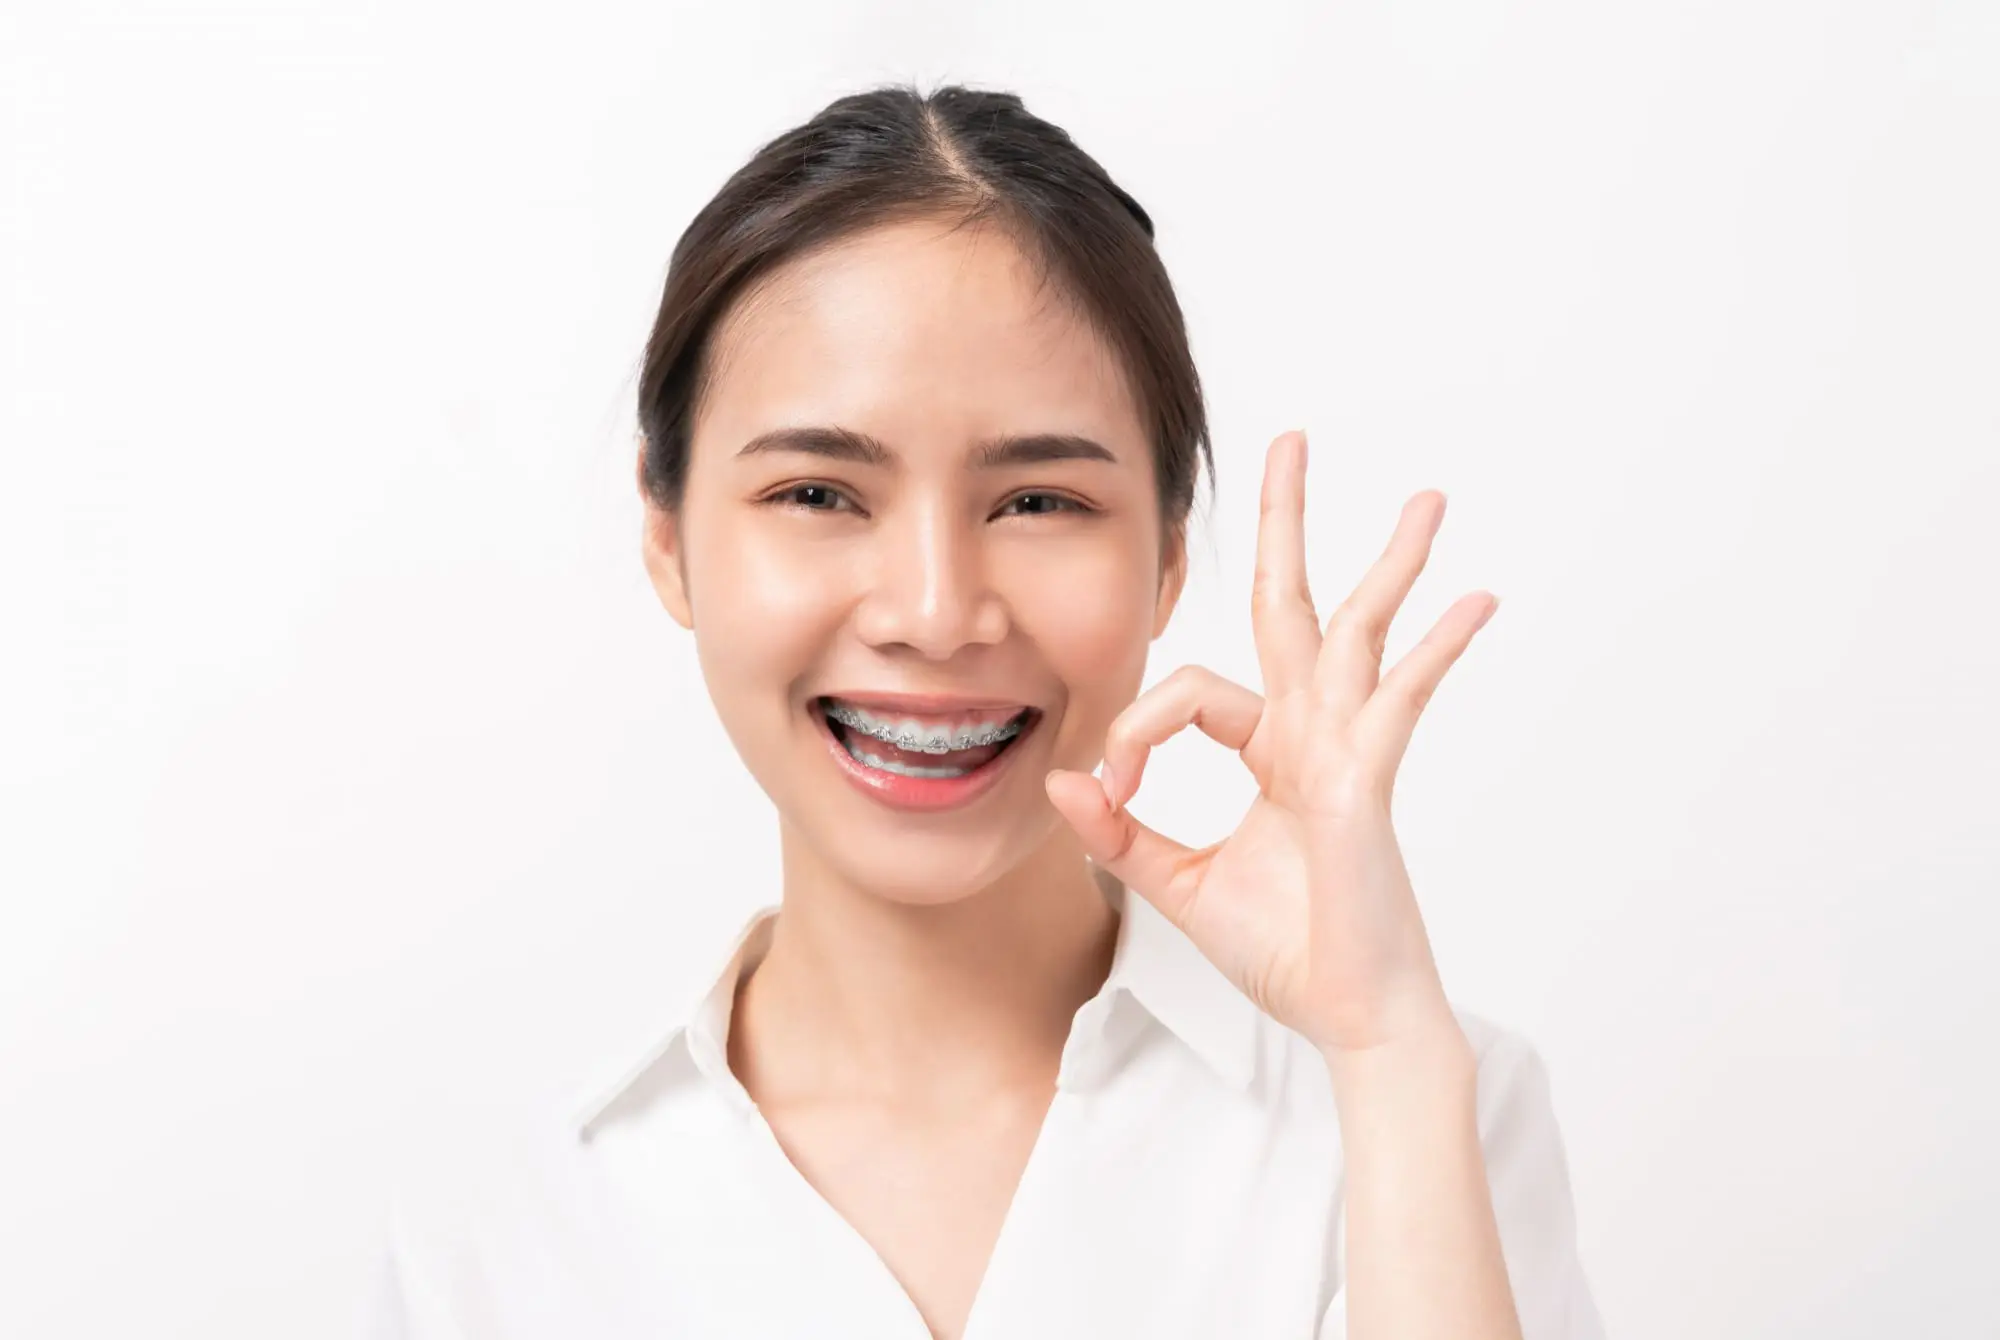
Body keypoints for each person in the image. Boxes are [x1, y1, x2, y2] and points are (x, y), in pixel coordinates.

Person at [364, 81, 1606, 1340]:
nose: (935, 608)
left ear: (1169, 555)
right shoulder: (502, 1226)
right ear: (667, 533)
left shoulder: (1412, 1104)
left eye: (1037, 503)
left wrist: (1386, 1052)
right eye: (816, 493)